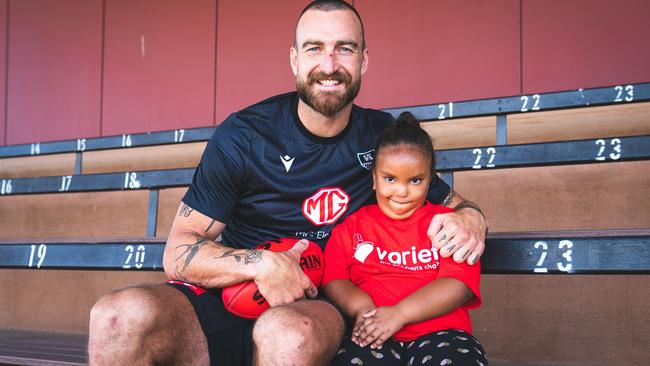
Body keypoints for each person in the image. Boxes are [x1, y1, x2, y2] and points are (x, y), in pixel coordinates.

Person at [88, 1, 488, 365]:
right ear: (294, 60)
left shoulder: (383, 138)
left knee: (288, 335)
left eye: (344, 49)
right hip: (227, 292)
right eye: (314, 48)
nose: (329, 64)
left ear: (364, 61)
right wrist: (261, 263)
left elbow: (454, 205)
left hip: (313, 301)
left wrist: (472, 218)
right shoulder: (245, 134)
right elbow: (178, 252)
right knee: (117, 315)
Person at [323, 112, 487, 366]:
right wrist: (362, 308)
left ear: (430, 180)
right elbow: (335, 280)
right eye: (390, 178)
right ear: (374, 179)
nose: (401, 191)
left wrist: (400, 314)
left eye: (415, 180)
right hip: (371, 333)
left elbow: (458, 285)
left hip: (442, 333)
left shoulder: (447, 223)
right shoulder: (350, 227)